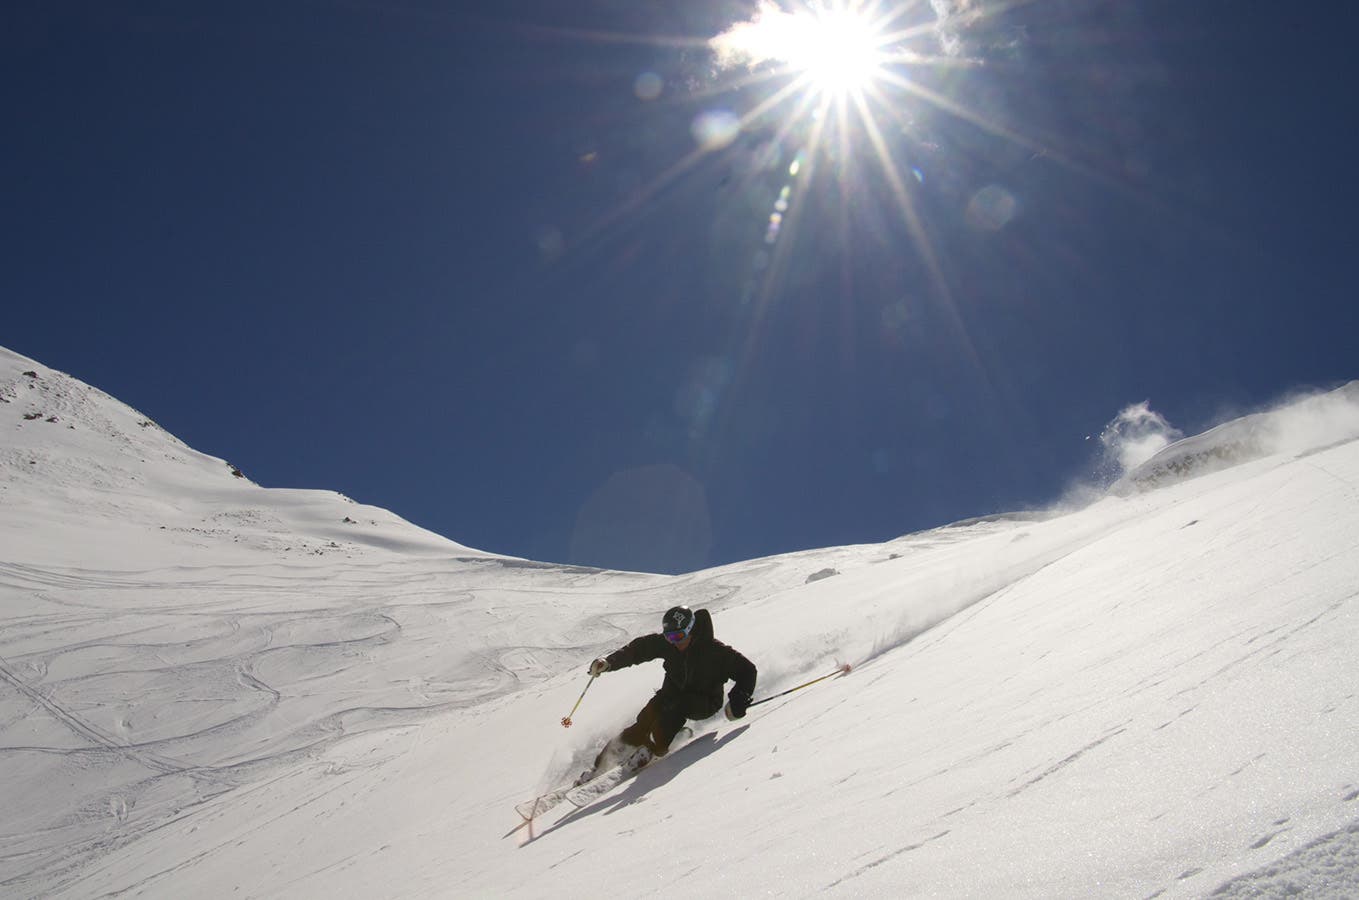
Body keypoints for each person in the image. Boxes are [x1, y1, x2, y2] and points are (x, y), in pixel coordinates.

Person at [582, 605, 756, 780]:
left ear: (691, 630)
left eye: (678, 636)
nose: (674, 642)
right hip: (671, 695)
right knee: (645, 720)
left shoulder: (716, 652)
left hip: (705, 701)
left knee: (677, 708)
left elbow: (748, 671)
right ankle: (599, 767)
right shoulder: (669, 645)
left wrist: (738, 699)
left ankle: (651, 749)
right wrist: (609, 662)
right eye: (669, 637)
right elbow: (639, 649)